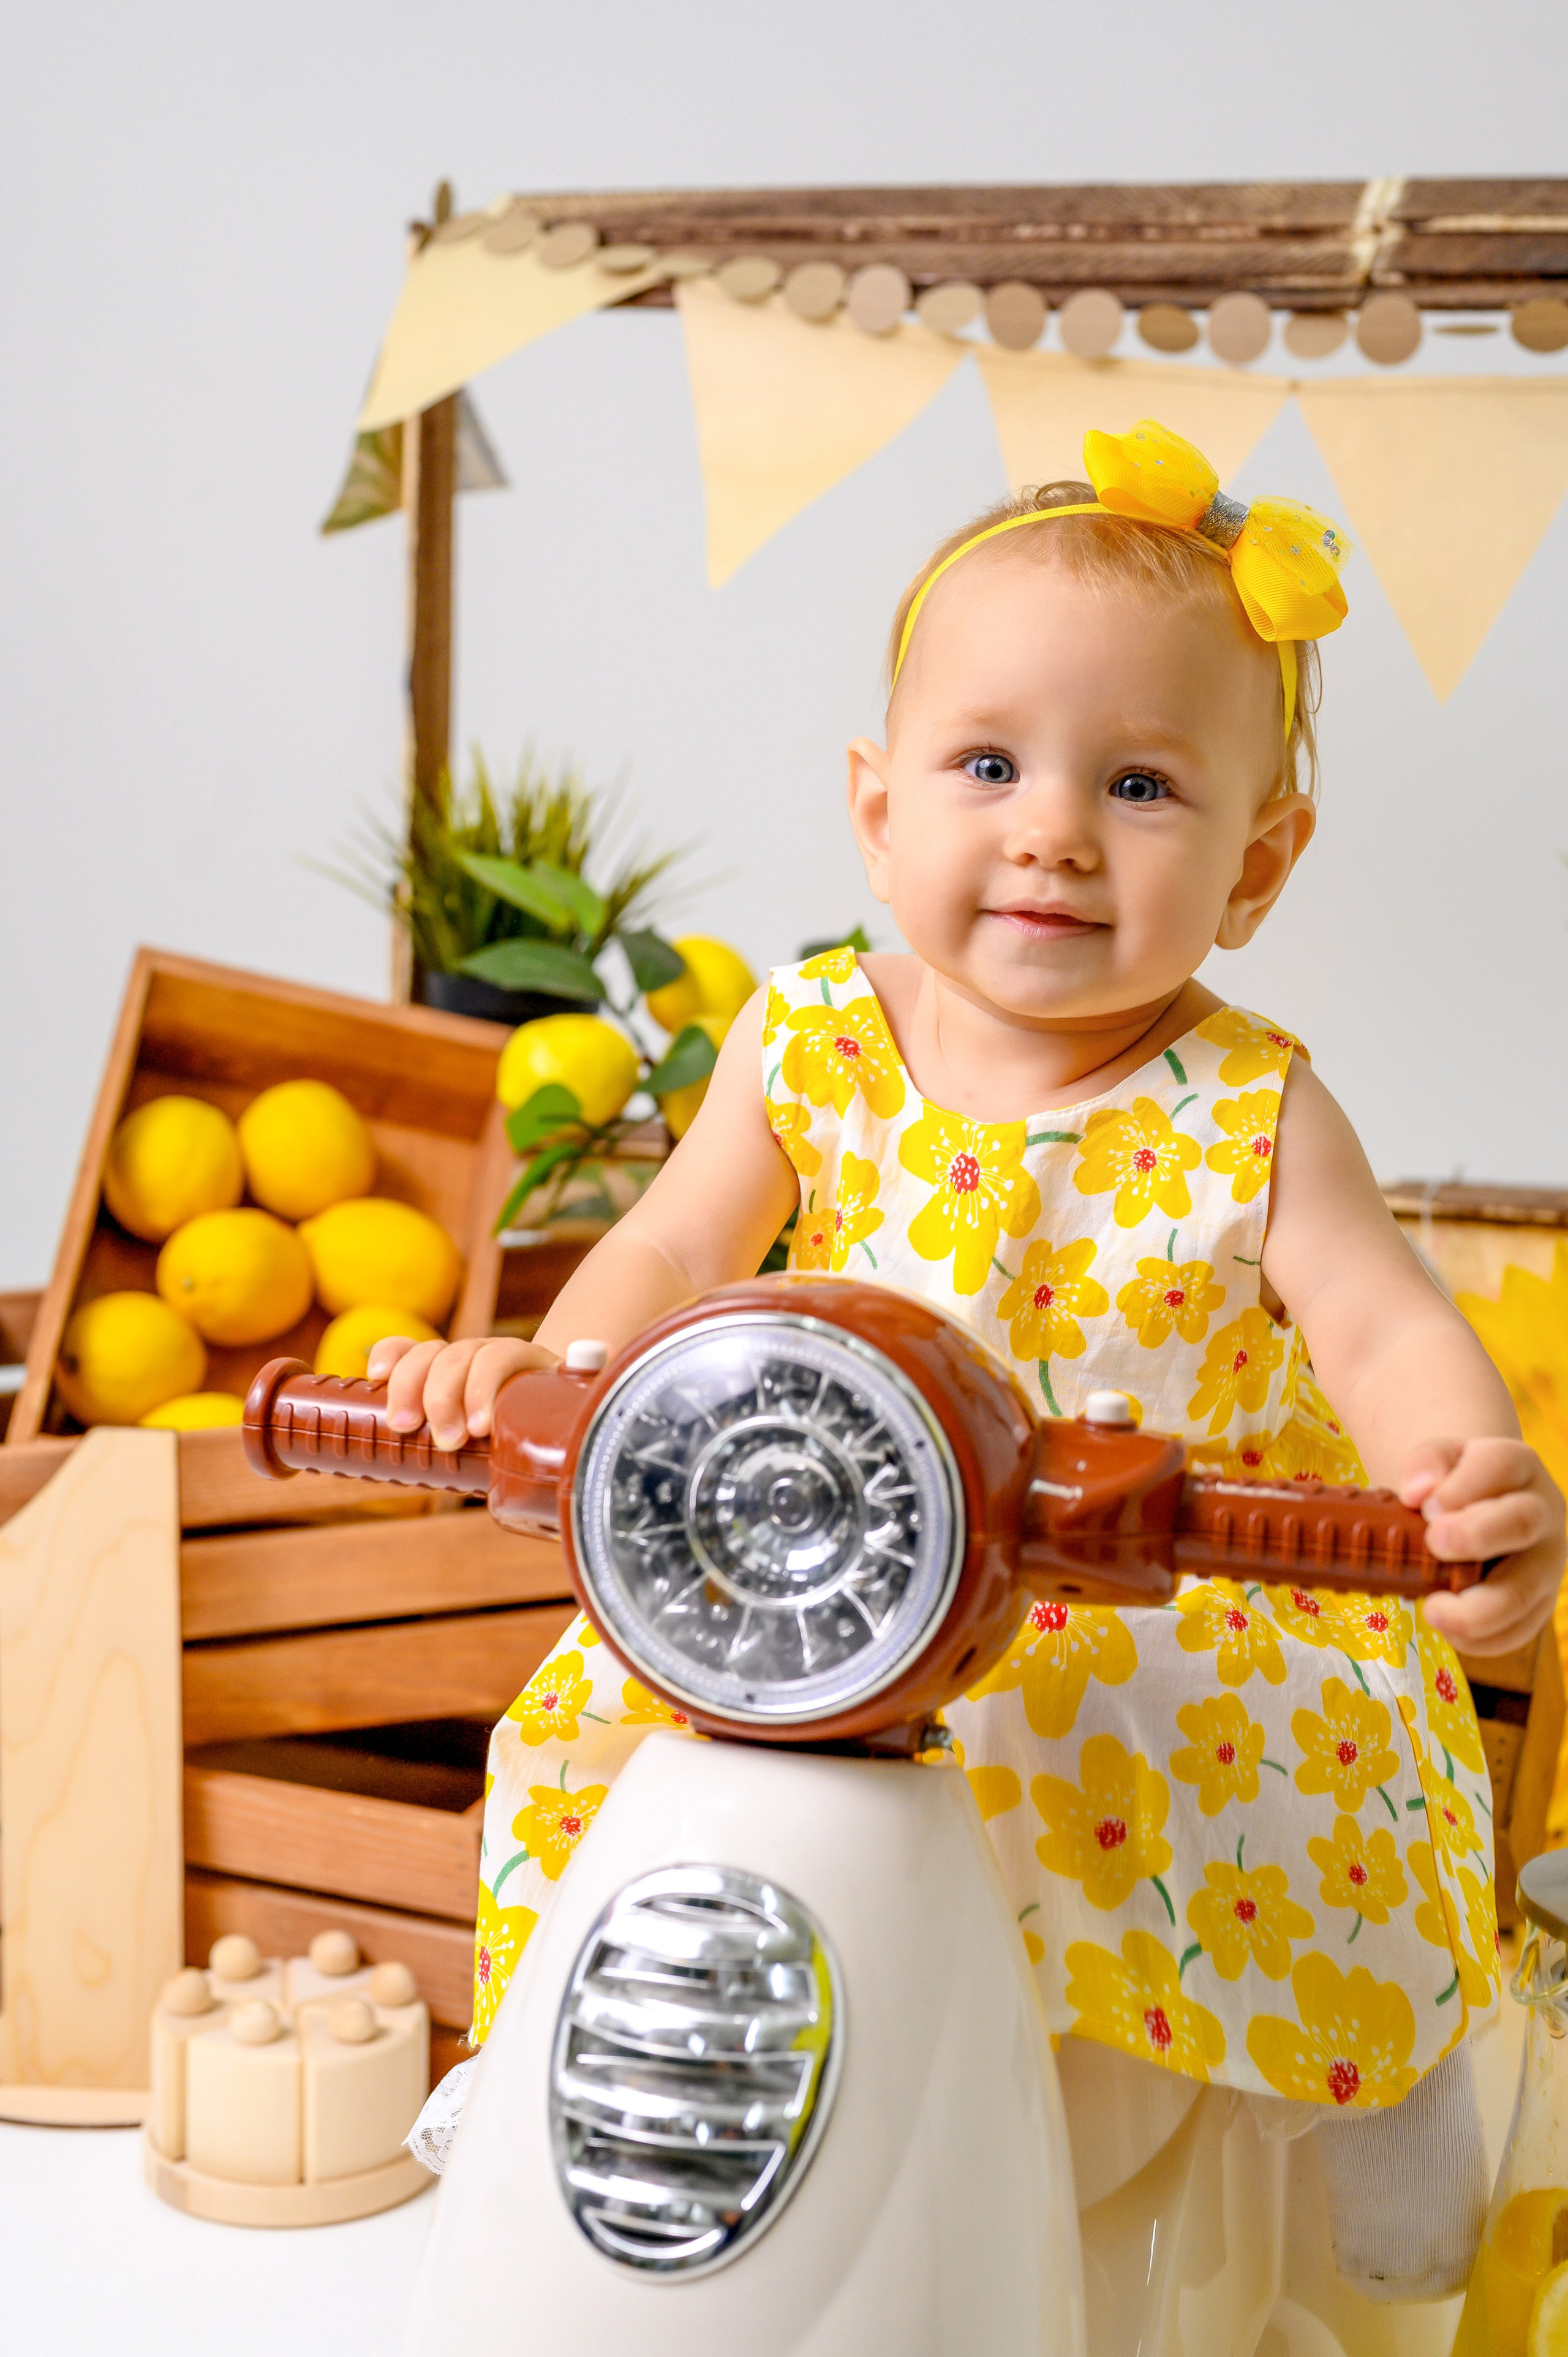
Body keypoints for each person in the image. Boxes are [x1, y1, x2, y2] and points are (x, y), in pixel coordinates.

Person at [381, 420, 1564, 2315]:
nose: (1053, 831)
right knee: (589, 1755)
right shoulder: (815, 1037)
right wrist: (550, 1359)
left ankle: (1378, 2072)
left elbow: (1379, 1321)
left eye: (1144, 785)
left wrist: (1457, 1483)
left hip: (1170, 1585)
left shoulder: (1253, 1111)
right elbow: (681, 1242)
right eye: (990, 764)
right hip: (846, 1579)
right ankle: (561, 2092)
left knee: (1300, 1782)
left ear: (1261, 864)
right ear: (877, 809)